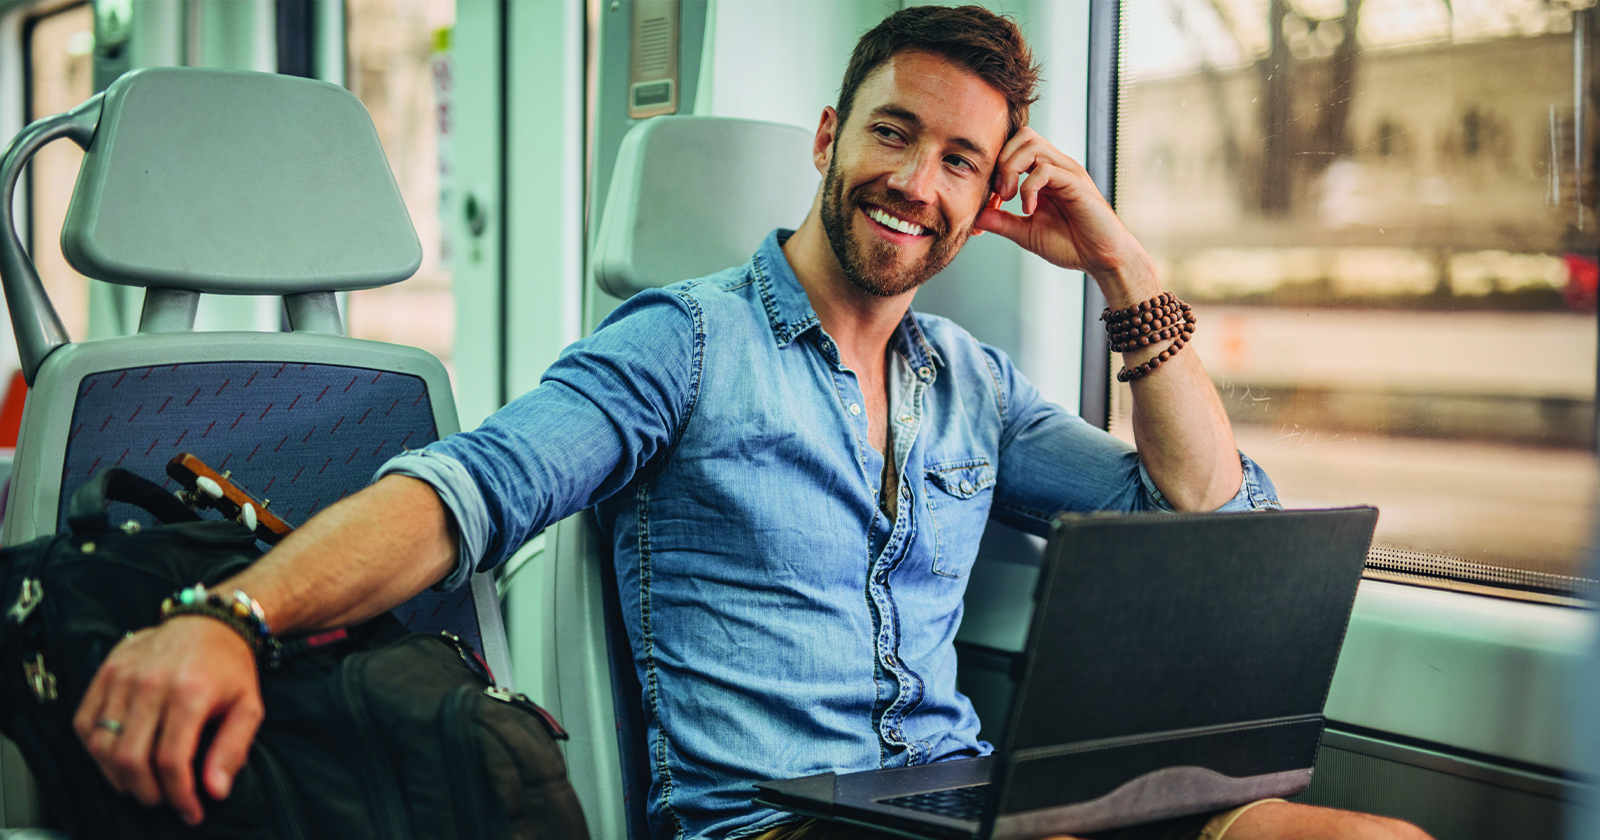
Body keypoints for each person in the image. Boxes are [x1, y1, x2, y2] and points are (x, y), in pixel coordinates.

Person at [72, 6, 1429, 840]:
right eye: (895, 135)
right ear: (832, 135)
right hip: (782, 827)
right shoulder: (687, 341)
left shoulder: (975, 383)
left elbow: (1201, 518)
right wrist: (229, 614)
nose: (918, 181)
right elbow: (464, 493)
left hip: (980, 803)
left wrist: (1124, 264)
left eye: (962, 160)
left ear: (989, 196)